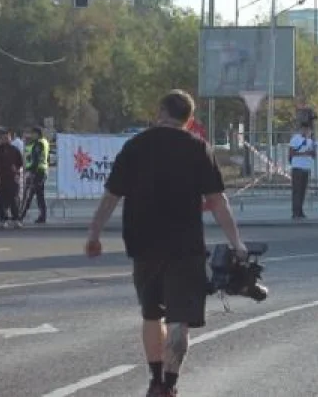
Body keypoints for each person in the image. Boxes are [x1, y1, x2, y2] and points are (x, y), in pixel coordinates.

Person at [84, 90, 247, 397]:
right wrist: (236, 242)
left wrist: (94, 235)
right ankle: (170, 385)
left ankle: (155, 380)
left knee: (150, 314)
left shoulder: (135, 146)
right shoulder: (199, 148)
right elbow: (217, 200)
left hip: (143, 244)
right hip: (185, 246)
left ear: (160, 111)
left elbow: (111, 196)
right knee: (178, 321)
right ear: (190, 119)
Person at [0, 131, 24, 228]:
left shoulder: (15, 150)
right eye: (3, 138)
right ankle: (3, 220)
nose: (5, 139)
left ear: (10, 138)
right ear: (1, 138)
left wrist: (17, 172)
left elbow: (20, 163)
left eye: (7, 137)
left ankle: (16, 219)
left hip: (12, 178)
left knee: (14, 199)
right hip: (0, 179)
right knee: (1, 200)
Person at [288, 123, 315, 220]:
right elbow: (291, 153)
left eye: (309, 130)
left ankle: (300, 211)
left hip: (306, 168)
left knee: (303, 191)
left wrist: (312, 152)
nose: (307, 132)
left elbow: (313, 154)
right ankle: (295, 211)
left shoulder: (310, 141)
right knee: (297, 190)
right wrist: (304, 153)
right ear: (302, 129)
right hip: (297, 167)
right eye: (306, 129)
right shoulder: (296, 139)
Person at [23, 126, 49, 224]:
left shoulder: (39, 143)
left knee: (31, 194)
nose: (32, 135)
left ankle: (22, 215)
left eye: (33, 133)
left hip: (37, 172)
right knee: (38, 195)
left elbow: (36, 159)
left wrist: (31, 170)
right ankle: (42, 216)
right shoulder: (44, 142)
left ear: (37, 134)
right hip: (42, 171)